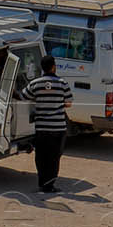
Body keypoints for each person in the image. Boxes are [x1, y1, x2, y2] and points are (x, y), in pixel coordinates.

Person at [17, 55, 73, 193]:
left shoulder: (36, 83)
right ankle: (50, 184)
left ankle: (42, 183)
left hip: (42, 128)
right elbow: (69, 103)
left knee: (41, 157)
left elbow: (22, 96)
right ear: (54, 66)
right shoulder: (62, 83)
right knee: (54, 158)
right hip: (58, 128)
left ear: (42, 68)